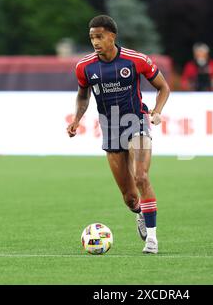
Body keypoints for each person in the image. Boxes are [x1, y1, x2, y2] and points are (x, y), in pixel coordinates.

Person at [67, 15, 170, 253]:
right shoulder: (84, 67)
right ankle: (140, 212)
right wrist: (76, 119)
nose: (95, 41)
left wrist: (157, 110)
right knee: (130, 198)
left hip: (137, 122)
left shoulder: (136, 60)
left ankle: (152, 239)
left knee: (141, 177)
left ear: (112, 36)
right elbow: (83, 95)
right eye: (92, 37)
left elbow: (163, 87)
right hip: (110, 128)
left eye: (100, 36)